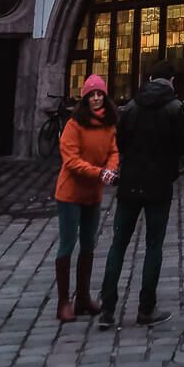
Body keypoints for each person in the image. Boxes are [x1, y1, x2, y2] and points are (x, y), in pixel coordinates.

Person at [98, 59, 184, 328]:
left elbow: (120, 142)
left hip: (129, 184)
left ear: (150, 79)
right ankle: (145, 308)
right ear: (171, 81)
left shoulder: (132, 106)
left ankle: (107, 309)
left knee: (118, 244)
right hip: (159, 185)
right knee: (153, 245)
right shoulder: (175, 108)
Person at [53, 75, 118, 323]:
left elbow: (113, 149)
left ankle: (82, 297)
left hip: (93, 193)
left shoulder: (108, 124)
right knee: (68, 244)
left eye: (99, 94)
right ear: (85, 99)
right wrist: (99, 172)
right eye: (91, 95)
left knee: (89, 244)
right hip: (70, 194)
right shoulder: (74, 125)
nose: (96, 98)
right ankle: (63, 302)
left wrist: (111, 168)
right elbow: (71, 161)